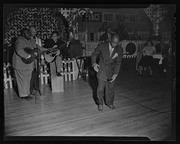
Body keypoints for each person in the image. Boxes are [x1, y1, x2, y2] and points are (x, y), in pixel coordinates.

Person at [91, 34, 123, 112]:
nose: (114, 45)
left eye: (116, 43)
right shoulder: (102, 45)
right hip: (102, 70)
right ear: (110, 40)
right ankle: (100, 104)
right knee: (100, 89)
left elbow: (118, 63)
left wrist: (115, 74)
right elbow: (94, 55)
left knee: (111, 89)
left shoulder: (119, 49)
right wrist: (94, 64)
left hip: (111, 72)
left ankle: (110, 103)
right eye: (113, 42)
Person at [12, 28, 36, 100]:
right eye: (27, 33)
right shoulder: (20, 40)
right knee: (22, 80)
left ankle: (27, 93)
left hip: (28, 64)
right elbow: (19, 50)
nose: (29, 34)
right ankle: (24, 95)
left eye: (29, 33)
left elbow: (36, 47)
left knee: (27, 79)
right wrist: (28, 56)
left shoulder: (31, 40)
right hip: (20, 64)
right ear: (22, 34)